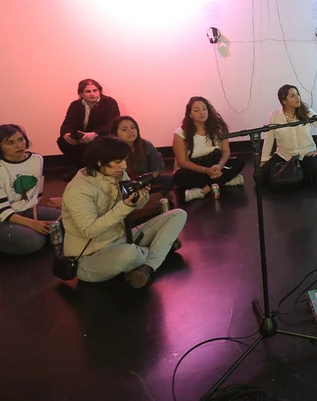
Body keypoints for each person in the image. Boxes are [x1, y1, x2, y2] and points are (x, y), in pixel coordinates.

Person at [61, 136, 187, 288]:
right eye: (118, 162)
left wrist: (141, 196)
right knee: (128, 254)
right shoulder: (78, 190)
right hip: (90, 257)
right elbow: (90, 231)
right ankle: (159, 251)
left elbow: (137, 205)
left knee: (178, 214)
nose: (124, 166)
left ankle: (148, 265)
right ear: (99, 162)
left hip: (122, 238)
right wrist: (125, 206)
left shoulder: (117, 174)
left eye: (125, 160)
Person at [0, 124, 61, 255]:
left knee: (69, 221)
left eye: (21, 139)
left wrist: (44, 206)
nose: (19, 145)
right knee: (35, 241)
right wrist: (34, 224)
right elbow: (3, 210)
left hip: (27, 210)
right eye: (10, 142)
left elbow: (37, 193)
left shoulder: (37, 159)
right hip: (3, 218)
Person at [173, 96, 245, 202]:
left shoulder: (219, 128)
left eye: (204, 108)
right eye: (196, 110)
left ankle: (203, 190)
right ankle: (224, 181)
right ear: (190, 115)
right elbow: (182, 162)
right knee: (179, 176)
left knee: (239, 162)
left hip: (216, 164)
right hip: (196, 168)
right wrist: (206, 171)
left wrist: (220, 165)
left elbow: (226, 151)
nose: (202, 112)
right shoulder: (180, 133)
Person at [260, 84, 317, 189]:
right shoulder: (275, 115)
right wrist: (264, 160)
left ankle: (294, 177)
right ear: (284, 101)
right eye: (293, 96)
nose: (298, 98)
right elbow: (269, 138)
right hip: (284, 155)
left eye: (298, 94)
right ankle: (297, 176)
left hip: (306, 153)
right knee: (259, 176)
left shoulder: (307, 112)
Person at [57, 79, 120, 173]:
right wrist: (66, 135)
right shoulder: (75, 105)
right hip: (81, 137)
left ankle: (89, 170)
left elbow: (112, 124)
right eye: (88, 91)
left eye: (95, 90)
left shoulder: (109, 103)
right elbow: (67, 124)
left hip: (101, 136)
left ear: (99, 91)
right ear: (81, 94)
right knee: (62, 141)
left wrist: (94, 134)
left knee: (99, 145)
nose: (92, 94)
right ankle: (81, 168)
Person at [110, 116, 173, 199]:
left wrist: (143, 181)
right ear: (115, 133)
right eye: (124, 129)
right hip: (123, 185)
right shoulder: (110, 149)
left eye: (133, 128)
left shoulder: (146, 145)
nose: (130, 131)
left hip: (144, 182)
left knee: (167, 180)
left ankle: (149, 198)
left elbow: (158, 166)